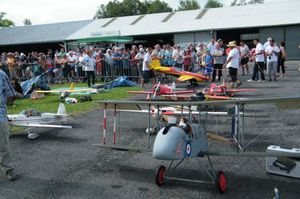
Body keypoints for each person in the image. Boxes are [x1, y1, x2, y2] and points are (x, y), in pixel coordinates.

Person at [0, 68, 17, 181]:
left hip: (0, 114)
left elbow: (10, 94)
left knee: (3, 144)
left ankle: (8, 169)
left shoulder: (1, 74)